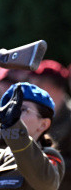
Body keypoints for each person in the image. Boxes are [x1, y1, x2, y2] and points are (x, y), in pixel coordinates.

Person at [0, 82, 64, 189]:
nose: (11, 114)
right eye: (9, 109)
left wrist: (14, 125)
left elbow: (45, 183)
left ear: (43, 124)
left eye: (22, 109)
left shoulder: (47, 158)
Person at [28, 60, 71, 190]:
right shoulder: (34, 116)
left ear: (57, 86)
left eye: (40, 83)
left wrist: (48, 162)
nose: (34, 88)